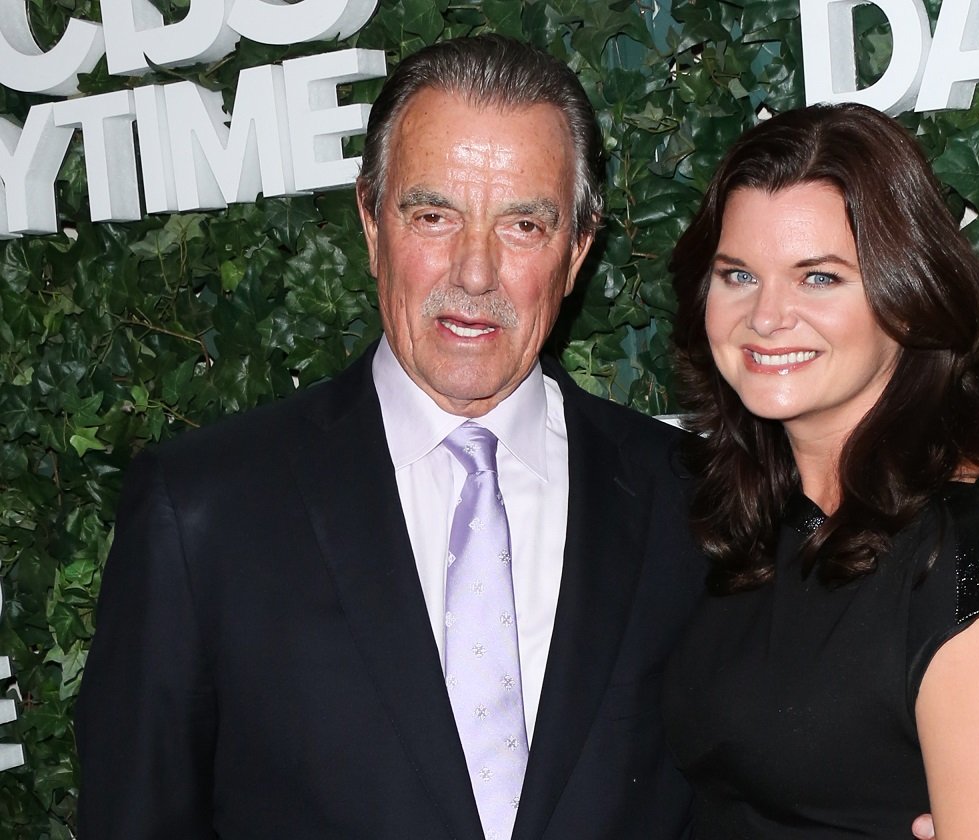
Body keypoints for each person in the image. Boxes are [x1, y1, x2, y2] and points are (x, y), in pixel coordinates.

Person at [75, 35, 706, 840]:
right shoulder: (203, 511)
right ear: (371, 223)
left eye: (522, 225)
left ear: (578, 250)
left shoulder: (689, 499)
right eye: (433, 215)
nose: (474, 273)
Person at [662, 103, 979, 839]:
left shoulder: (962, 563)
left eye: (818, 278)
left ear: (909, 298)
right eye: (737, 275)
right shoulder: (760, 512)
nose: (766, 317)